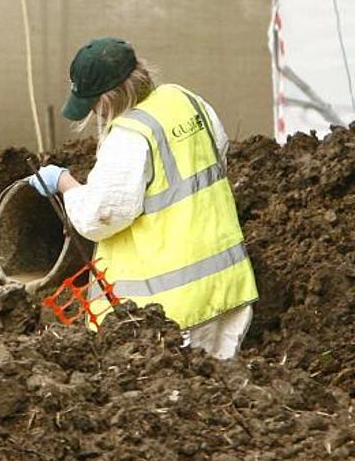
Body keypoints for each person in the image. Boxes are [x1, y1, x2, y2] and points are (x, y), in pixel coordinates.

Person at [28, 37, 258, 360]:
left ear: (107, 99)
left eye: (93, 105)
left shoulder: (130, 136)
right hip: (227, 288)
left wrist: (63, 181)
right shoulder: (188, 101)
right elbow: (216, 155)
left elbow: (101, 216)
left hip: (171, 315)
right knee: (217, 388)